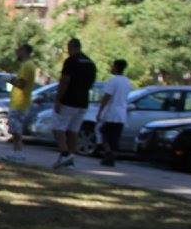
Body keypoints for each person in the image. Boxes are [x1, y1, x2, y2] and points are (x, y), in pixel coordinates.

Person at [52, 37, 97, 169]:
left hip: (69, 100)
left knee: (58, 129)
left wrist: (59, 98)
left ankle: (65, 155)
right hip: (83, 102)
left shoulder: (71, 61)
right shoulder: (90, 63)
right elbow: (92, 83)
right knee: (73, 131)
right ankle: (70, 160)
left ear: (71, 47)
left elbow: (65, 80)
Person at [95, 58, 132, 167]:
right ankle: (112, 155)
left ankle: (108, 153)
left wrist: (100, 110)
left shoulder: (113, 81)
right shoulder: (127, 81)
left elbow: (107, 96)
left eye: (112, 66)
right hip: (122, 113)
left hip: (111, 112)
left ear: (116, 67)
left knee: (104, 133)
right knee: (115, 136)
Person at [5, 43, 37, 161]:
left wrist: (10, 79)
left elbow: (21, 84)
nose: (17, 53)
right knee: (14, 128)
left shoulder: (27, 66)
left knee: (16, 129)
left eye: (19, 51)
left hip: (20, 102)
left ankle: (18, 153)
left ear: (24, 51)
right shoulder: (28, 65)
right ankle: (16, 152)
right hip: (20, 102)